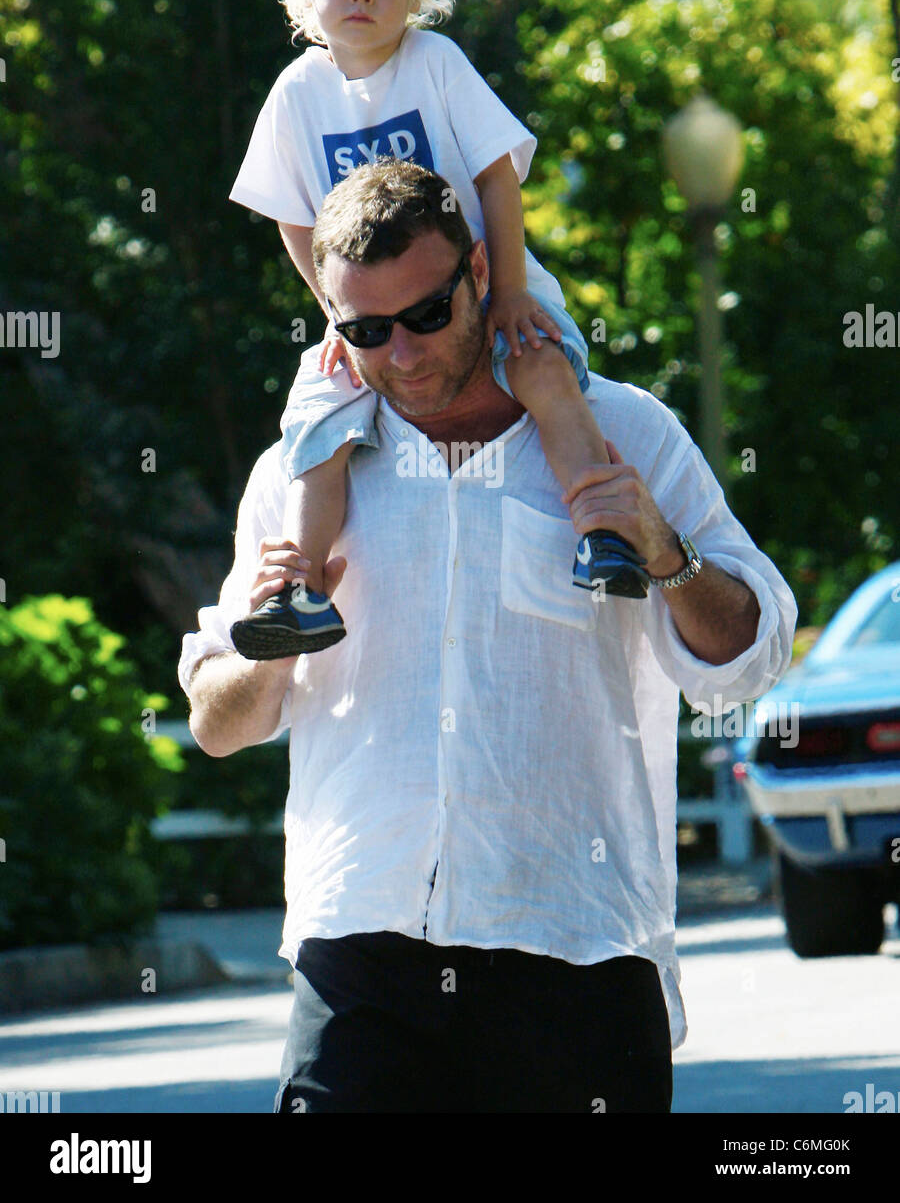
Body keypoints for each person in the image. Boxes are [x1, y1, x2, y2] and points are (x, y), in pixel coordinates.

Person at [179, 159, 798, 1114]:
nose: (406, 356)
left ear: (478, 269)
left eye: (426, 316)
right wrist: (274, 645)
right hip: (361, 941)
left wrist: (664, 553)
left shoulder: (617, 430)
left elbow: (746, 663)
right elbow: (219, 725)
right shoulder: (305, 471)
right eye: (367, 332)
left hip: (573, 938)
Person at [226, 0, 647, 663]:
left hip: (482, 284)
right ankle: (302, 589)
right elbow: (293, 219)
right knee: (320, 415)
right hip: (371, 317)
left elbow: (497, 180)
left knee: (542, 368)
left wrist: (515, 292)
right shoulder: (297, 95)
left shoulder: (435, 64)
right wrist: (340, 322)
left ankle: (605, 532)